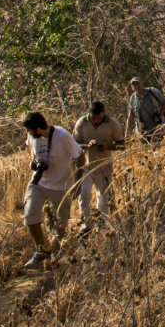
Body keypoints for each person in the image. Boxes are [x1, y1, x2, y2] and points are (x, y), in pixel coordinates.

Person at [20, 110, 82, 269]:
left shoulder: (62, 136)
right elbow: (30, 147)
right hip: (39, 181)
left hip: (61, 185)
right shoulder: (32, 136)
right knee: (30, 214)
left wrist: (78, 182)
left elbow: (79, 155)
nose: (29, 134)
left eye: (30, 131)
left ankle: (58, 254)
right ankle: (40, 252)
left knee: (61, 224)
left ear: (38, 129)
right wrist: (32, 162)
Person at [72, 100, 124, 231]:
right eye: (93, 118)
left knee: (104, 197)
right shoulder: (81, 123)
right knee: (84, 195)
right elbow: (74, 144)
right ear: (89, 113)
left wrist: (108, 146)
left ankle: (102, 225)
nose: (96, 121)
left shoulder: (112, 124)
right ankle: (86, 226)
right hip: (86, 166)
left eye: (99, 118)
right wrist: (86, 145)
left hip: (104, 165)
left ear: (104, 113)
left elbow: (122, 144)